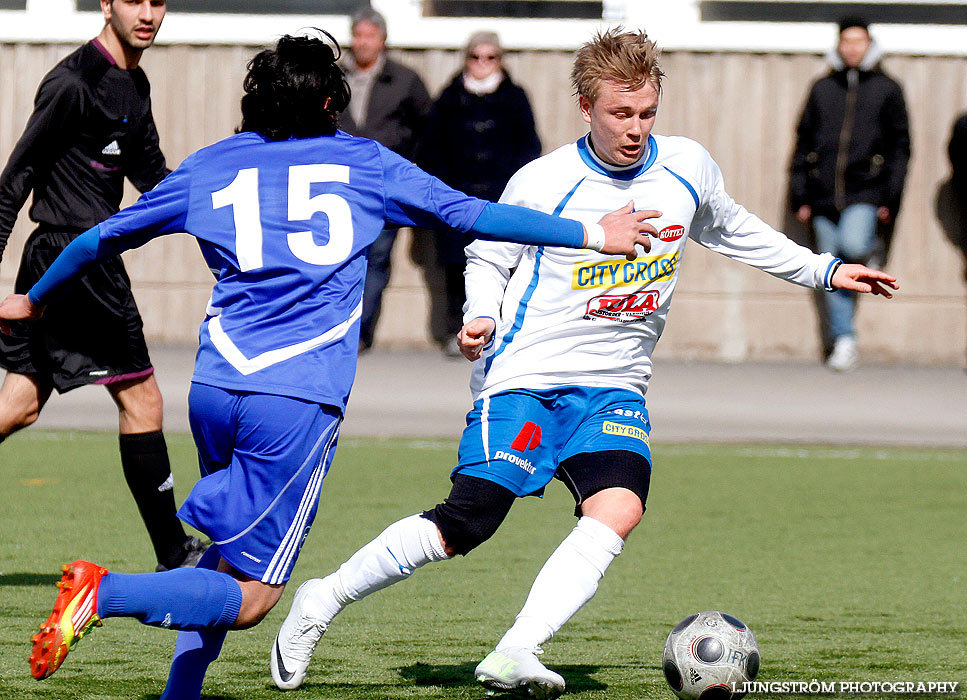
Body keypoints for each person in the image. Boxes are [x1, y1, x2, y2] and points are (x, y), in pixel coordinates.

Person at [2, 32, 656, 699]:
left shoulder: (212, 165)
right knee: (253, 596)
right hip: (293, 403)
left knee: (229, 556)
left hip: (214, 388)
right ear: (327, 101)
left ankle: (182, 693)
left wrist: (31, 297)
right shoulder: (365, 164)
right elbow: (470, 213)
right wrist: (592, 233)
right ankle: (102, 592)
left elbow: (97, 237)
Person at [270, 27, 899, 700]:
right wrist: (478, 313)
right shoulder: (545, 181)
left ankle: (516, 650)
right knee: (468, 521)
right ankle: (322, 598)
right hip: (526, 377)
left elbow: (731, 228)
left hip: (614, 386)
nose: (634, 129)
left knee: (618, 506)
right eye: (618, 114)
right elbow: (487, 252)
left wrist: (823, 270)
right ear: (585, 107)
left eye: (646, 113)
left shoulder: (685, 166)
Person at [0, 0, 206, 572]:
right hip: (79, 263)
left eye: (158, 1)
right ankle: (174, 552)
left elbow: (151, 178)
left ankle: (173, 550)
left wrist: (216, 200)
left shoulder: (133, 84)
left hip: (70, 262)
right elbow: (16, 178)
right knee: (143, 400)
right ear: (105, 4)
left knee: (18, 406)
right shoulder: (72, 82)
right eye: (134, 0)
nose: (147, 12)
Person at [790, 16, 910, 372]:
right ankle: (844, 340)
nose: (852, 48)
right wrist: (800, 196)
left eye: (859, 41)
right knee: (833, 267)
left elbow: (901, 147)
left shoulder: (888, 88)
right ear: (839, 46)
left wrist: (891, 197)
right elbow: (802, 142)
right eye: (846, 41)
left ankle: (872, 248)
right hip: (823, 194)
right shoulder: (822, 88)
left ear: (869, 45)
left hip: (866, 192)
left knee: (854, 247)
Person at [417, 31, 542, 356]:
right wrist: (446, 187)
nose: (482, 64)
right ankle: (457, 329)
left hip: (502, 197)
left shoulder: (515, 97)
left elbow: (529, 145)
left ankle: (503, 329)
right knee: (456, 267)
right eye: (475, 57)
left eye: (490, 57)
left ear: (500, 59)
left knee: (507, 264)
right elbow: (431, 148)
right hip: (458, 198)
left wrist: (514, 186)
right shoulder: (449, 97)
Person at [340, 7, 432, 351]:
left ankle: (361, 331)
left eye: (370, 36)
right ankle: (339, 325)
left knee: (377, 258)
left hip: (384, 185)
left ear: (383, 40)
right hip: (339, 184)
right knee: (340, 256)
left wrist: (411, 169)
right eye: (358, 35)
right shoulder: (334, 76)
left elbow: (427, 127)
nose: (363, 43)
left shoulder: (404, 79)